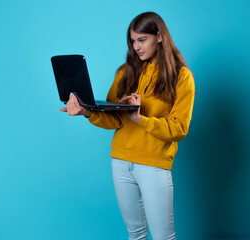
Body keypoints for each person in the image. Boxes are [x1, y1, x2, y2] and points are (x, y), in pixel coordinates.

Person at [60, 11, 195, 240]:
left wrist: (140, 119)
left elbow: (179, 129)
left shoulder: (181, 77)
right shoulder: (126, 72)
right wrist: (87, 112)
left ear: (159, 36)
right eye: (133, 41)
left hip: (153, 165)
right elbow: (113, 118)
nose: (137, 47)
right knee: (135, 234)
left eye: (142, 40)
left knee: (163, 237)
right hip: (121, 162)